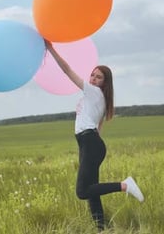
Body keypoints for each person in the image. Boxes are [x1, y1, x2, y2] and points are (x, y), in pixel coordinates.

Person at [44, 39, 144, 231]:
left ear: (104, 82)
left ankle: (124, 185)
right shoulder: (102, 99)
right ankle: (102, 228)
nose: (93, 79)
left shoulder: (93, 92)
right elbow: (99, 127)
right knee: (92, 193)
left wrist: (51, 49)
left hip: (90, 143)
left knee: (82, 192)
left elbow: (66, 70)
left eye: (98, 77)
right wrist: (88, 147)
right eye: (92, 75)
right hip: (89, 143)